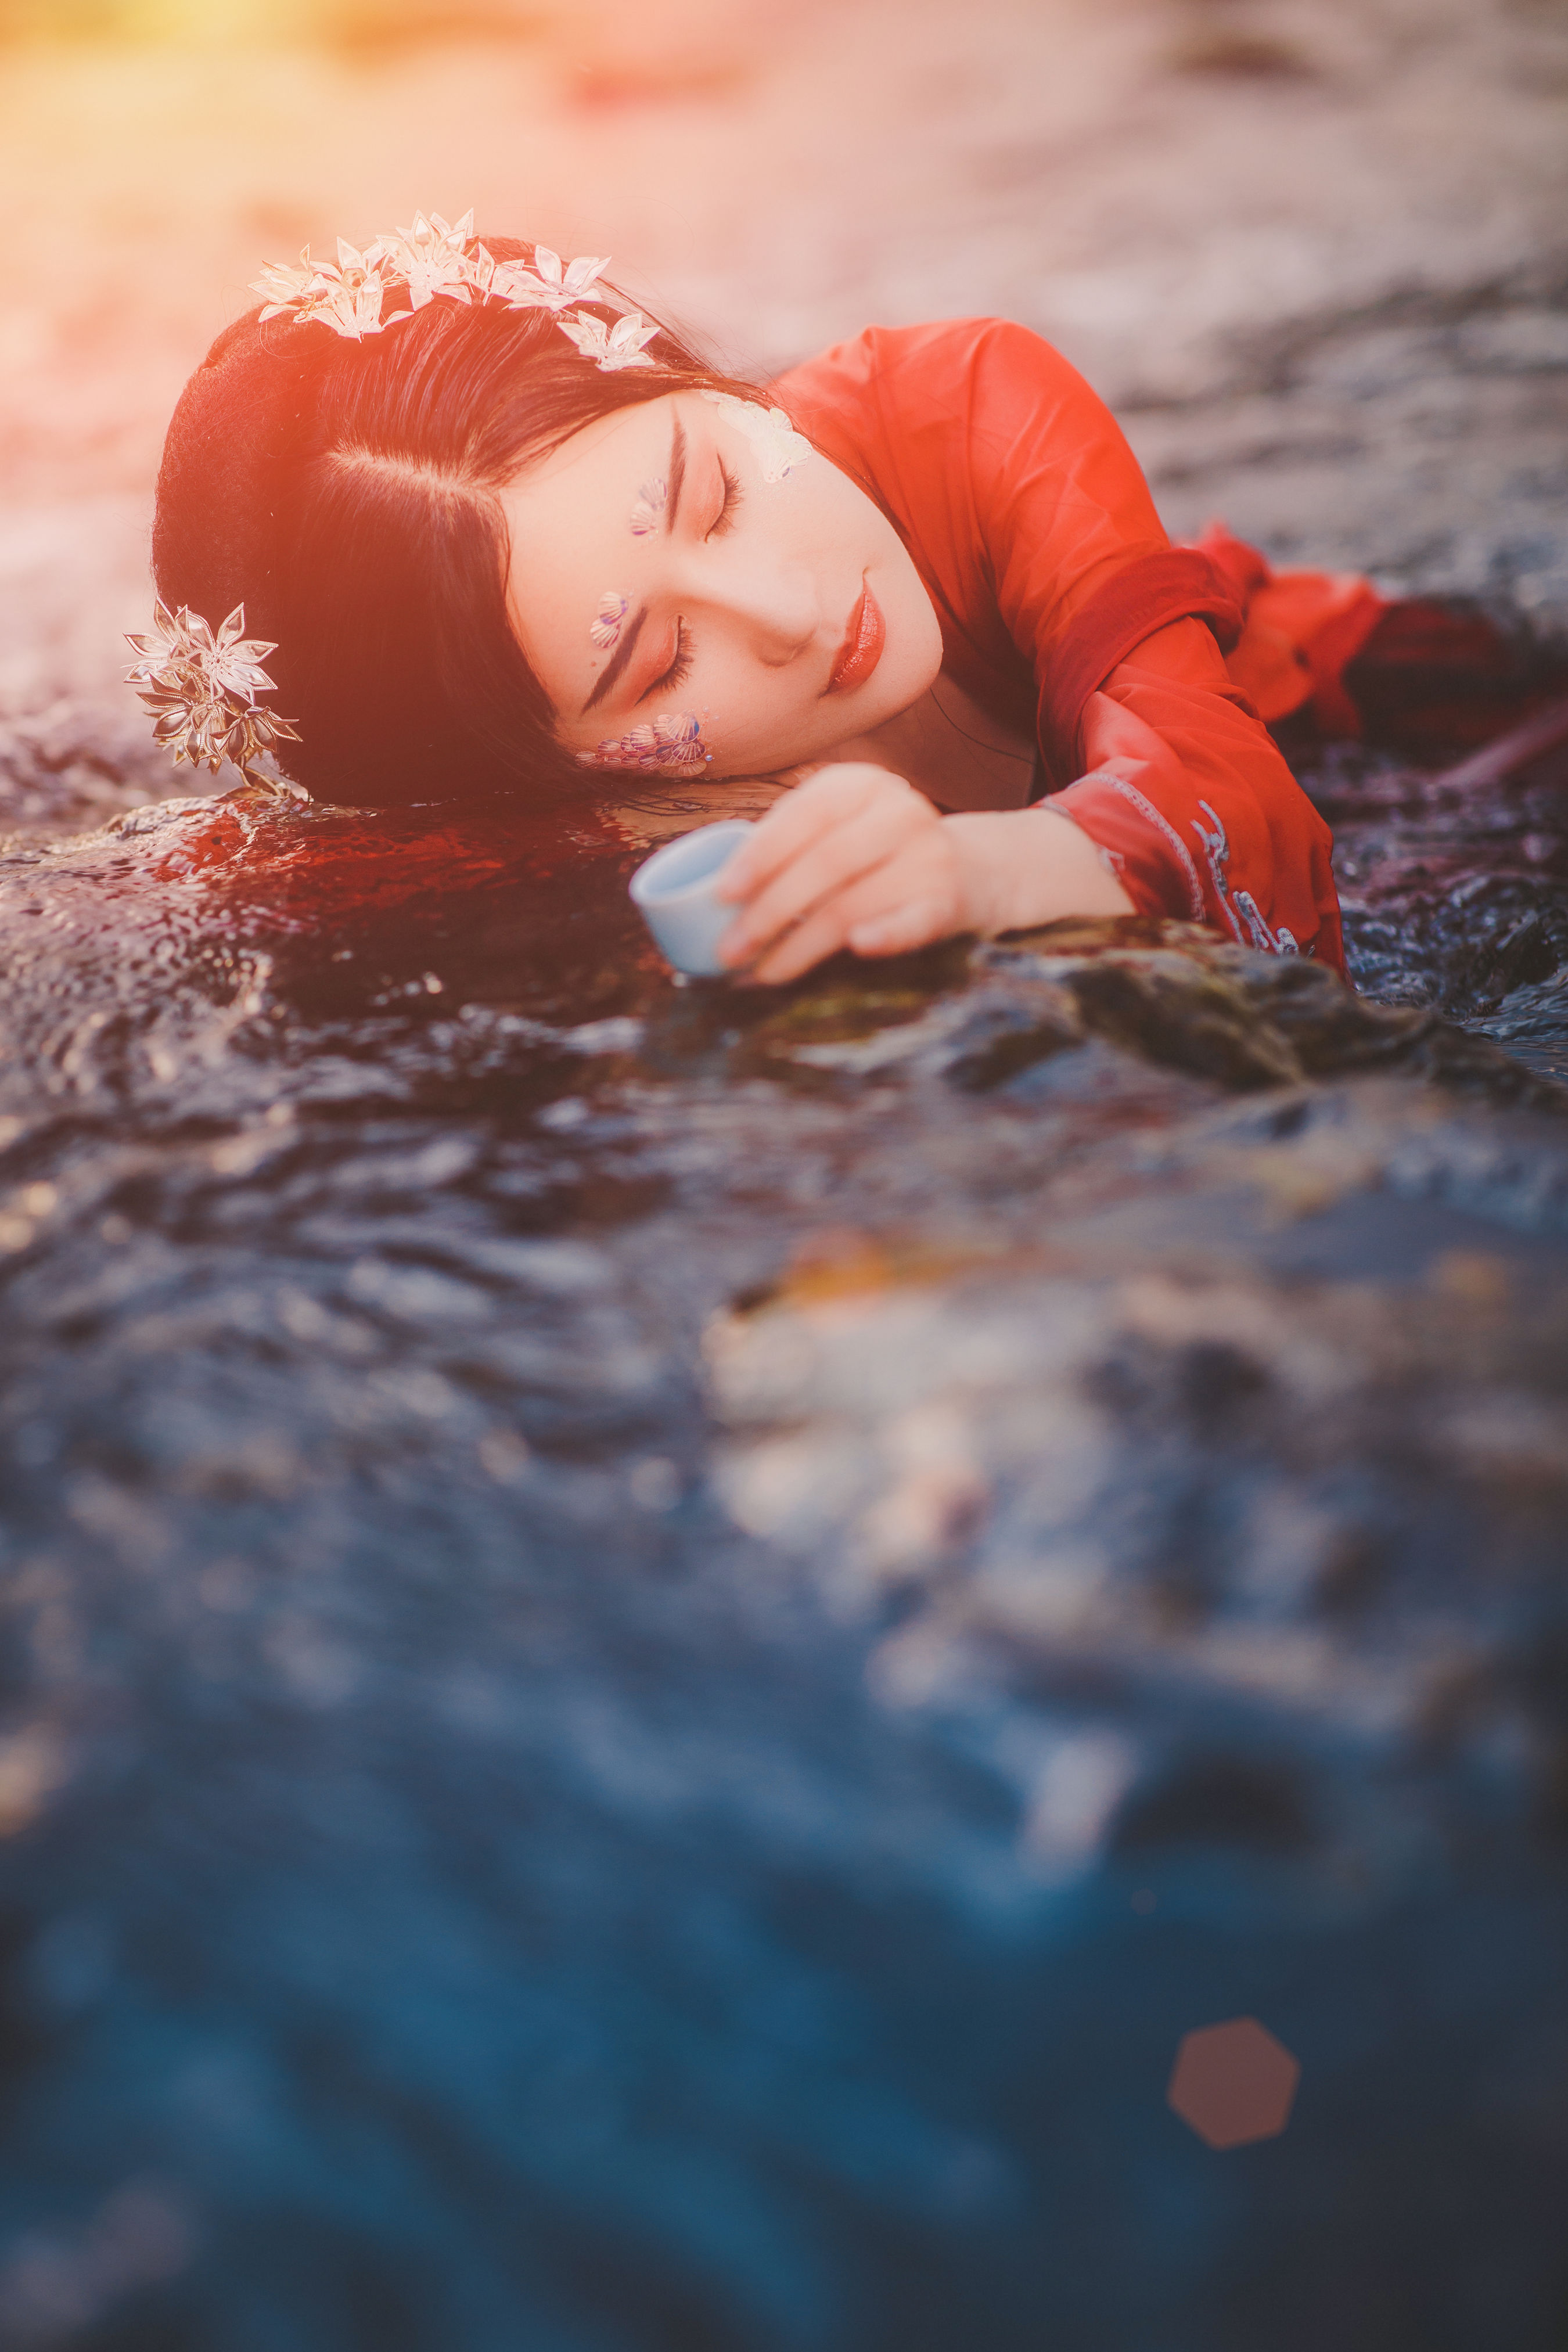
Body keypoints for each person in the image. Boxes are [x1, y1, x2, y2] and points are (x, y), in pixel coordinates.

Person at [139, 215, 1366, 987]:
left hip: (1381, 740)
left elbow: (1235, 802)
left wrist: (978, 877)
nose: (787, 612)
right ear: (553, 768)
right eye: (662, 663)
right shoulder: (575, 826)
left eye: (718, 492)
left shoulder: (963, 410)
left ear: (708, 381)